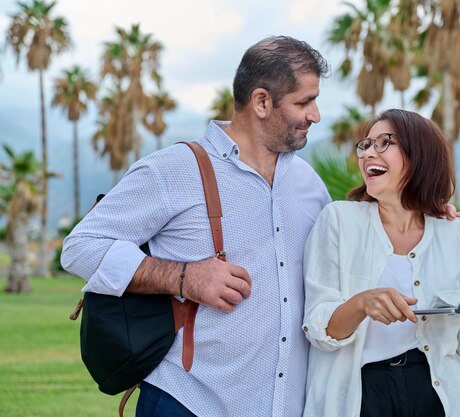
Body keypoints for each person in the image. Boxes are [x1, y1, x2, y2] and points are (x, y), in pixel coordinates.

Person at [62, 36, 332, 417]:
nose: (315, 114)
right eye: (304, 102)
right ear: (261, 102)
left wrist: (431, 216)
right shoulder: (174, 169)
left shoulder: (309, 183)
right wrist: (184, 277)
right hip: (189, 402)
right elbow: (80, 247)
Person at [302, 109, 460, 417]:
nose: (367, 153)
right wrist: (362, 303)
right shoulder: (338, 220)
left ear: (421, 154)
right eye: (365, 145)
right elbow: (319, 328)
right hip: (360, 392)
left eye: (384, 142)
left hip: (436, 393)